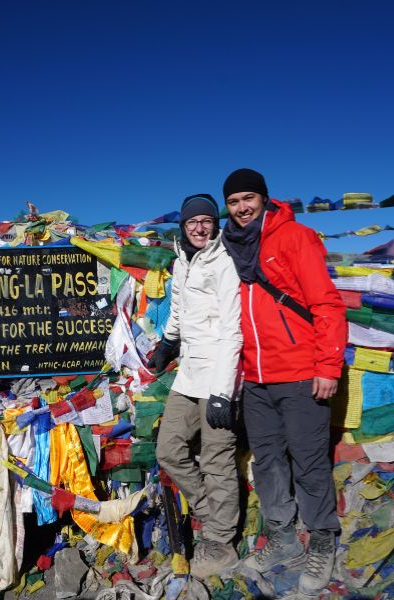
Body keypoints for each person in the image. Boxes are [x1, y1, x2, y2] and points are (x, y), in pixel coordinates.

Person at [220, 168, 346, 597]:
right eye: (234, 201)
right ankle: (283, 538)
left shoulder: (295, 237)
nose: (241, 208)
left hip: (299, 373)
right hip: (254, 377)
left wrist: (328, 366)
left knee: (309, 462)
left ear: (264, 198)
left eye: (248, 198)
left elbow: (326, 302)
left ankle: (322, 540)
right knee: (268, 461)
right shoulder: (229, 248)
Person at [152, 194, 243, 579]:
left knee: (218, 460)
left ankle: (221, 544)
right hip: (189, 372)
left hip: (219, 375)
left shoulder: (225, 261)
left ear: (215, 224)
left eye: (207, 221)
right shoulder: (182, 261)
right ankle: (211, 515)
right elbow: (178, 309)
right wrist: (167, 341)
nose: (200, 228)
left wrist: (223, 392)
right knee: (168, 449)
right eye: (193, 222)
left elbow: (233, 329)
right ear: (184, 227)